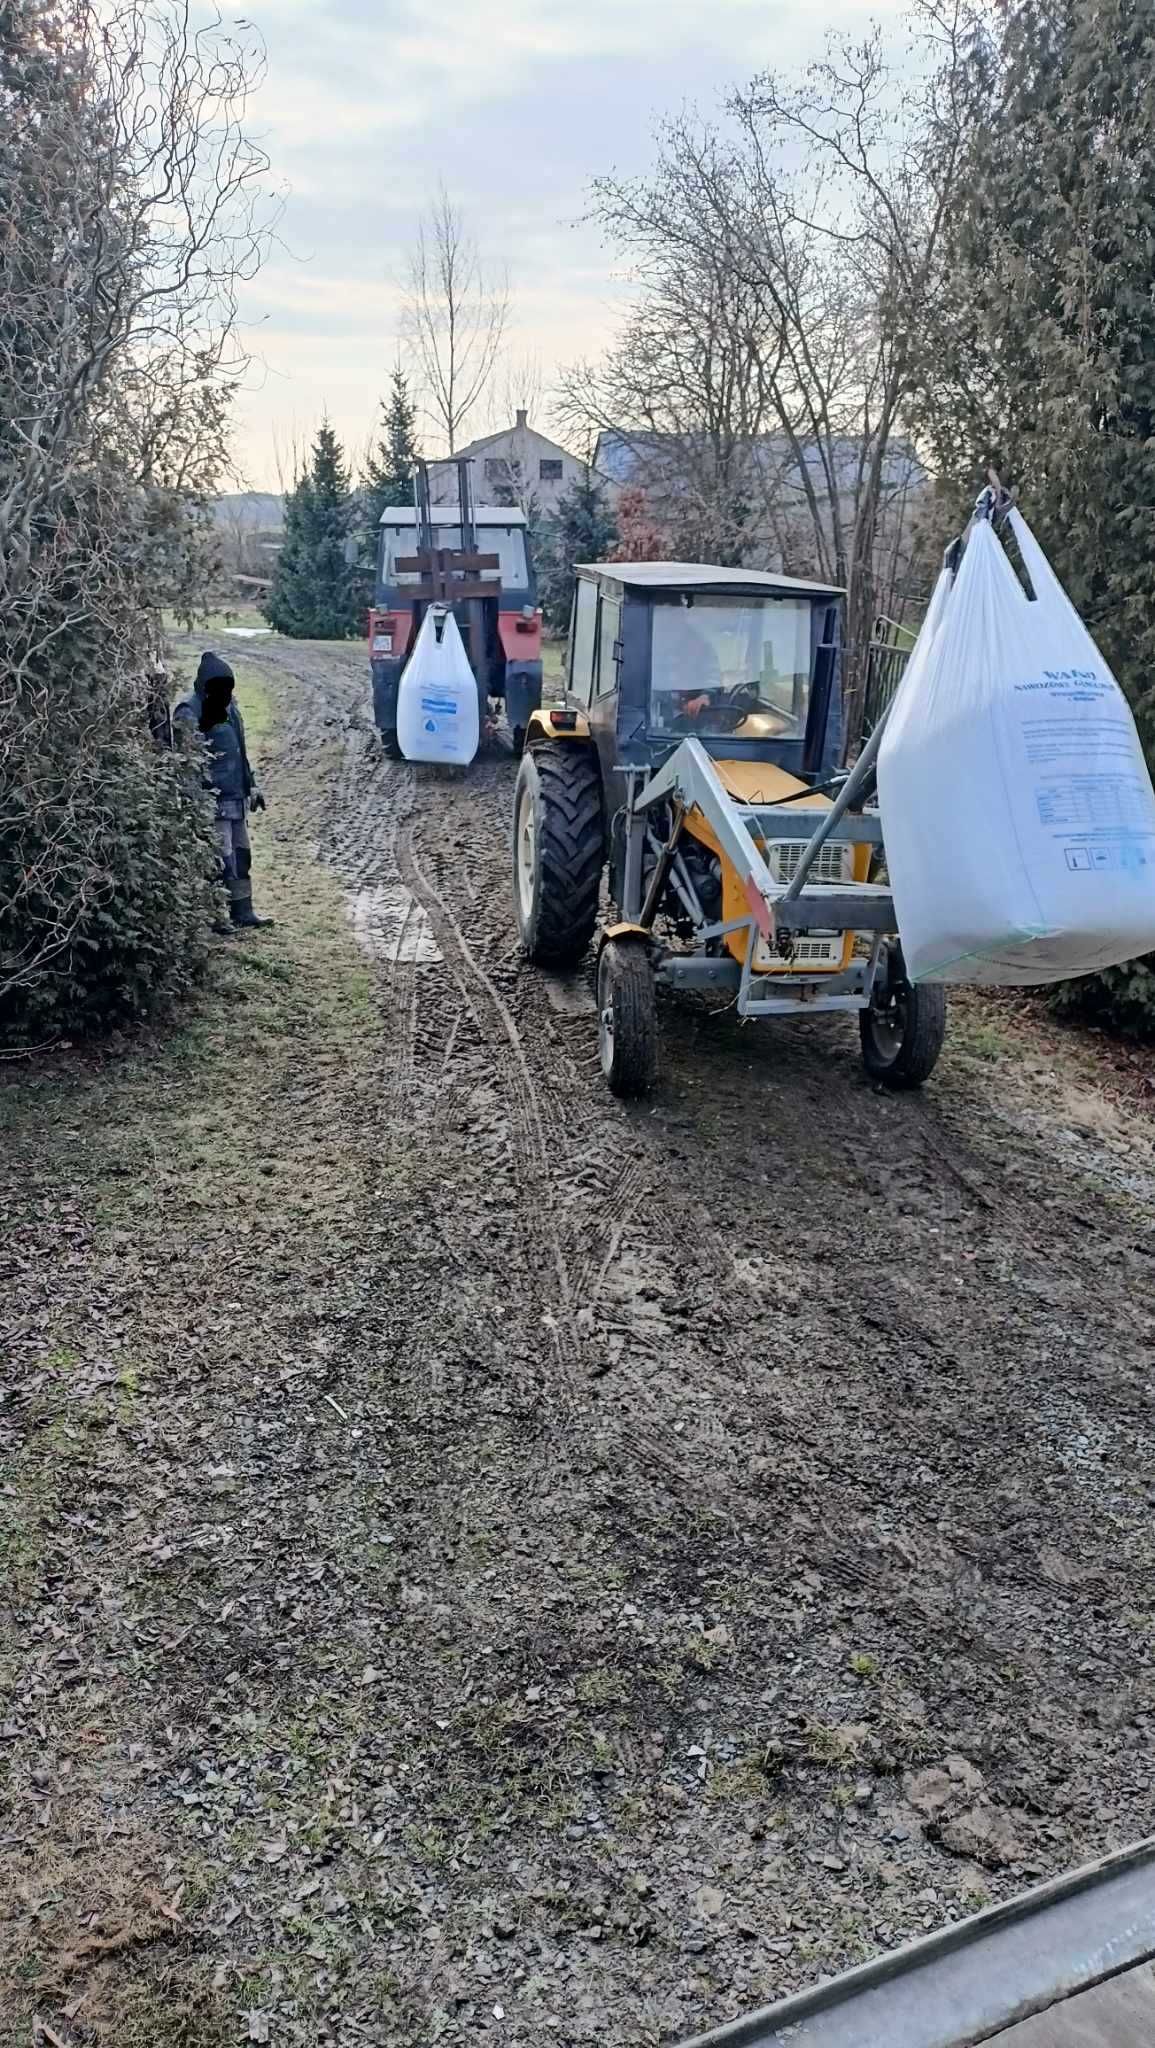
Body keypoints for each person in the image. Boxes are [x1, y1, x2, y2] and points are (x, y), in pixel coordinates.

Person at [174, 652, 273, 931]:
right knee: (219, 860)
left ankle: (243, 912)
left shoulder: (230, 707)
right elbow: (186, 762)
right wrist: (196, 802)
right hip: (212, 800)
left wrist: (251, 785)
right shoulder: (188, 711)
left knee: (241, 856)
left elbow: (239, 752)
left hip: (236, 796)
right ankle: (217, 916)